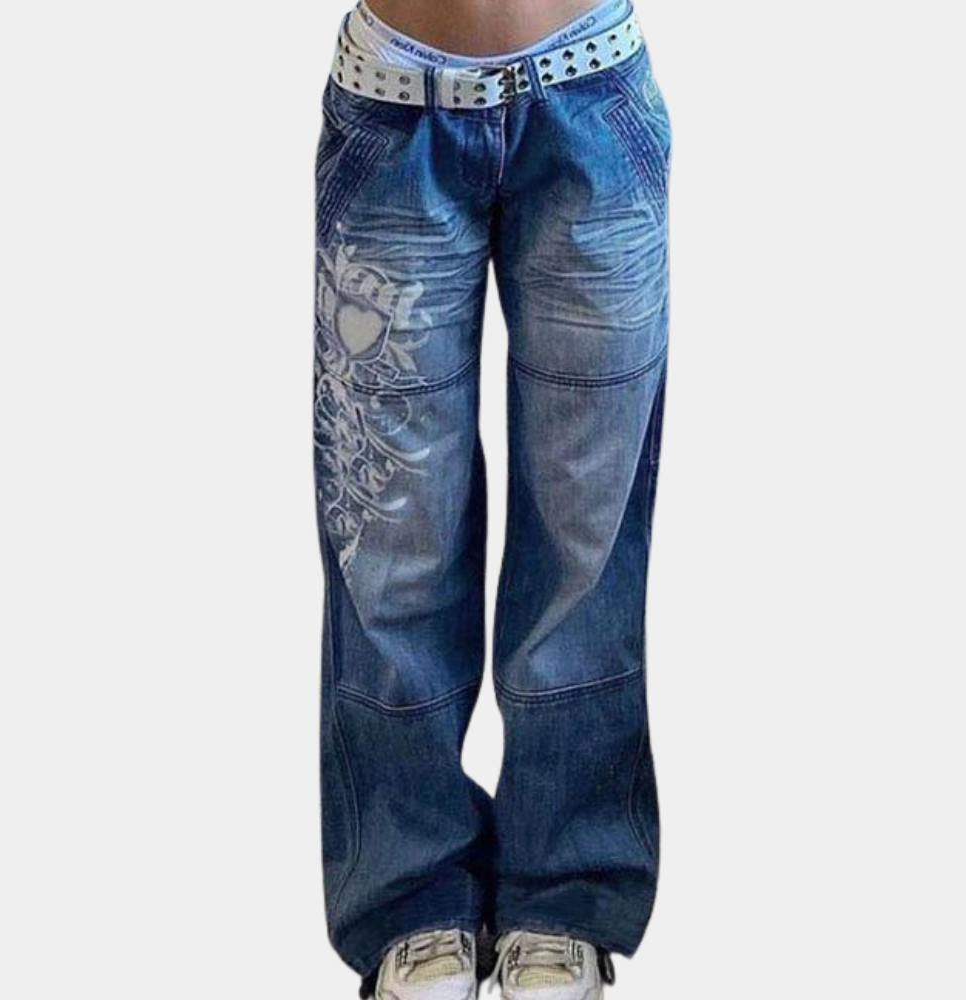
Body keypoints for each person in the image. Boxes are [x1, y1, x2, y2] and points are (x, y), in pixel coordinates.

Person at [313, 0, 671, 996]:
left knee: (586, 538)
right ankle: (409, 897)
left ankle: (564, 897)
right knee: (391, 542)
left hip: (592, 100)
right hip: (393, 112)